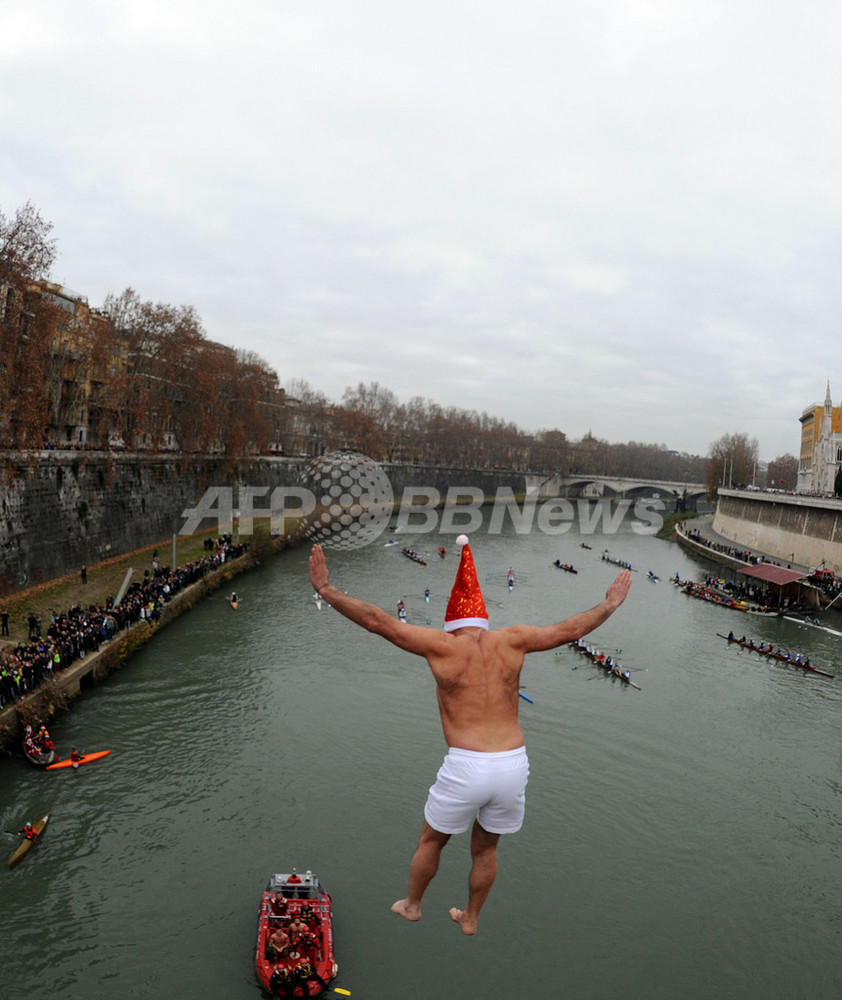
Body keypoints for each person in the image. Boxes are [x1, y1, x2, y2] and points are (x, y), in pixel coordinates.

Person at [309, 535, 631, 935]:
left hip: (467, 763)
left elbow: (378, 621)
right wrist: (610, 604)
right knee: (486, 848)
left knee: (432, 841)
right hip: (514, 763)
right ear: (484, 620)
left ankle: (412, 905)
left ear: (451, 621)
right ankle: (471, 917)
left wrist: (326, 589)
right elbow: (568, 630)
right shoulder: (513, 639)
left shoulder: (441, 646)